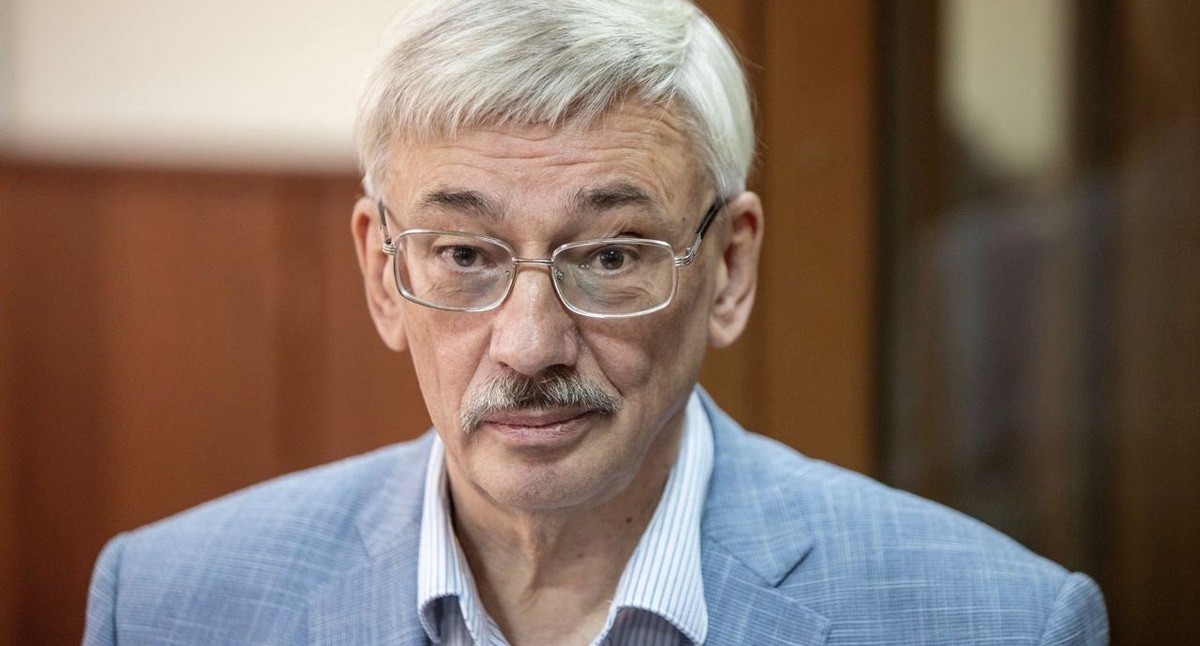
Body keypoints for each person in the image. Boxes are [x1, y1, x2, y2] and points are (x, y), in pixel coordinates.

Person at [83, 1, 1108, 644]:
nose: (530, 344)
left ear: (729, 268)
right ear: (382, 274)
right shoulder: (170, 605)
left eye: (612, 256)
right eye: (465, 255)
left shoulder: (1001, 622)